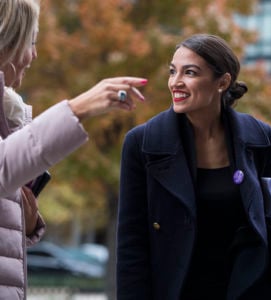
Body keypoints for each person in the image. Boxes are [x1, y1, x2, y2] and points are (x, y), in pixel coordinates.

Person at [117, 33, 271, 300]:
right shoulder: (142, 144)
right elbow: (132, 244)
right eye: (172, 71)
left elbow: (268, 222)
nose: (176, 82)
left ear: (222, 82)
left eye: (189, 72)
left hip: (247, 290)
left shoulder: (260, 138)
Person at [0, 0, 147, 299]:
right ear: (7, 40)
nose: (34, 54)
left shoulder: (10, 118)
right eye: (31, 41)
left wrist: (23, 223)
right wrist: (78, 108)